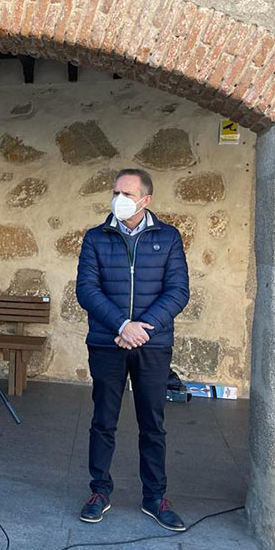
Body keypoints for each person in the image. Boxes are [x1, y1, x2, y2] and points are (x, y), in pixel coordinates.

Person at [75, 168, 189, 531]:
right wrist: (122, 326)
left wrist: (140, 329)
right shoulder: (96, 237)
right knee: (103, 420)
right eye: (115, 192)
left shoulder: (168, 238)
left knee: (152, 423)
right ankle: (99, 492)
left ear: (146, 200)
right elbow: (87, 289)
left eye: (127, 193)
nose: (119, 199)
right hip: (108, 342)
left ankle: (155, 496)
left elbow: (177, 291)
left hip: (152, 344)